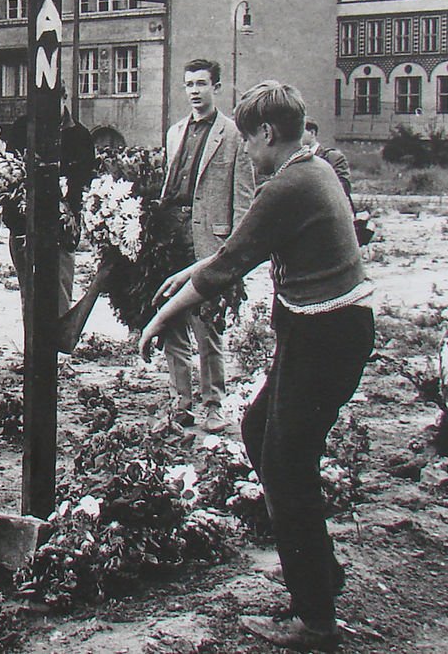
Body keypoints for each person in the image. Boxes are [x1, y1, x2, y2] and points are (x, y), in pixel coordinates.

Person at [139, 81, 374, 653]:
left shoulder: (290, 185)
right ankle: (319, 573)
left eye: (247, 139)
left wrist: (157, 320)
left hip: (326, 336)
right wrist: (187, 272)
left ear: (267, 133)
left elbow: (230, 263)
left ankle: (315, 621)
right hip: (321, 329)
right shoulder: (310, 168)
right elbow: (237, 251)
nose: (245, 149)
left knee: (287, 469)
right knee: (257, 429)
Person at [157, 58, 254, 433]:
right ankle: (180, 402)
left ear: (216, 87)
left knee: (207, 325)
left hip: (209, 245)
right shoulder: (174, 133)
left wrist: (232, 253)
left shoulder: (233, 135)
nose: (194, 91)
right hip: (173, 238)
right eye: (189, 84)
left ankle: (213, 403)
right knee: (171, 320)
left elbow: (243, 200)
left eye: (201, 84)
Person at [3, 89, 96, 352]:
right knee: (29, 294)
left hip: (61, 228)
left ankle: (56, 354)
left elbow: (84, 182)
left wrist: (67, 211)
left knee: (59, 291)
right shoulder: (22, 127)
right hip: (23, 226)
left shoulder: (79, 136)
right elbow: (9, 175)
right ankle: (33, 352)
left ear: (64, 98)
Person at [301, 120, 352, 200]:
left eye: (299, 132)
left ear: (312, 133)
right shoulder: (293, 158)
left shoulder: (332, 157)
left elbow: (344, 187)